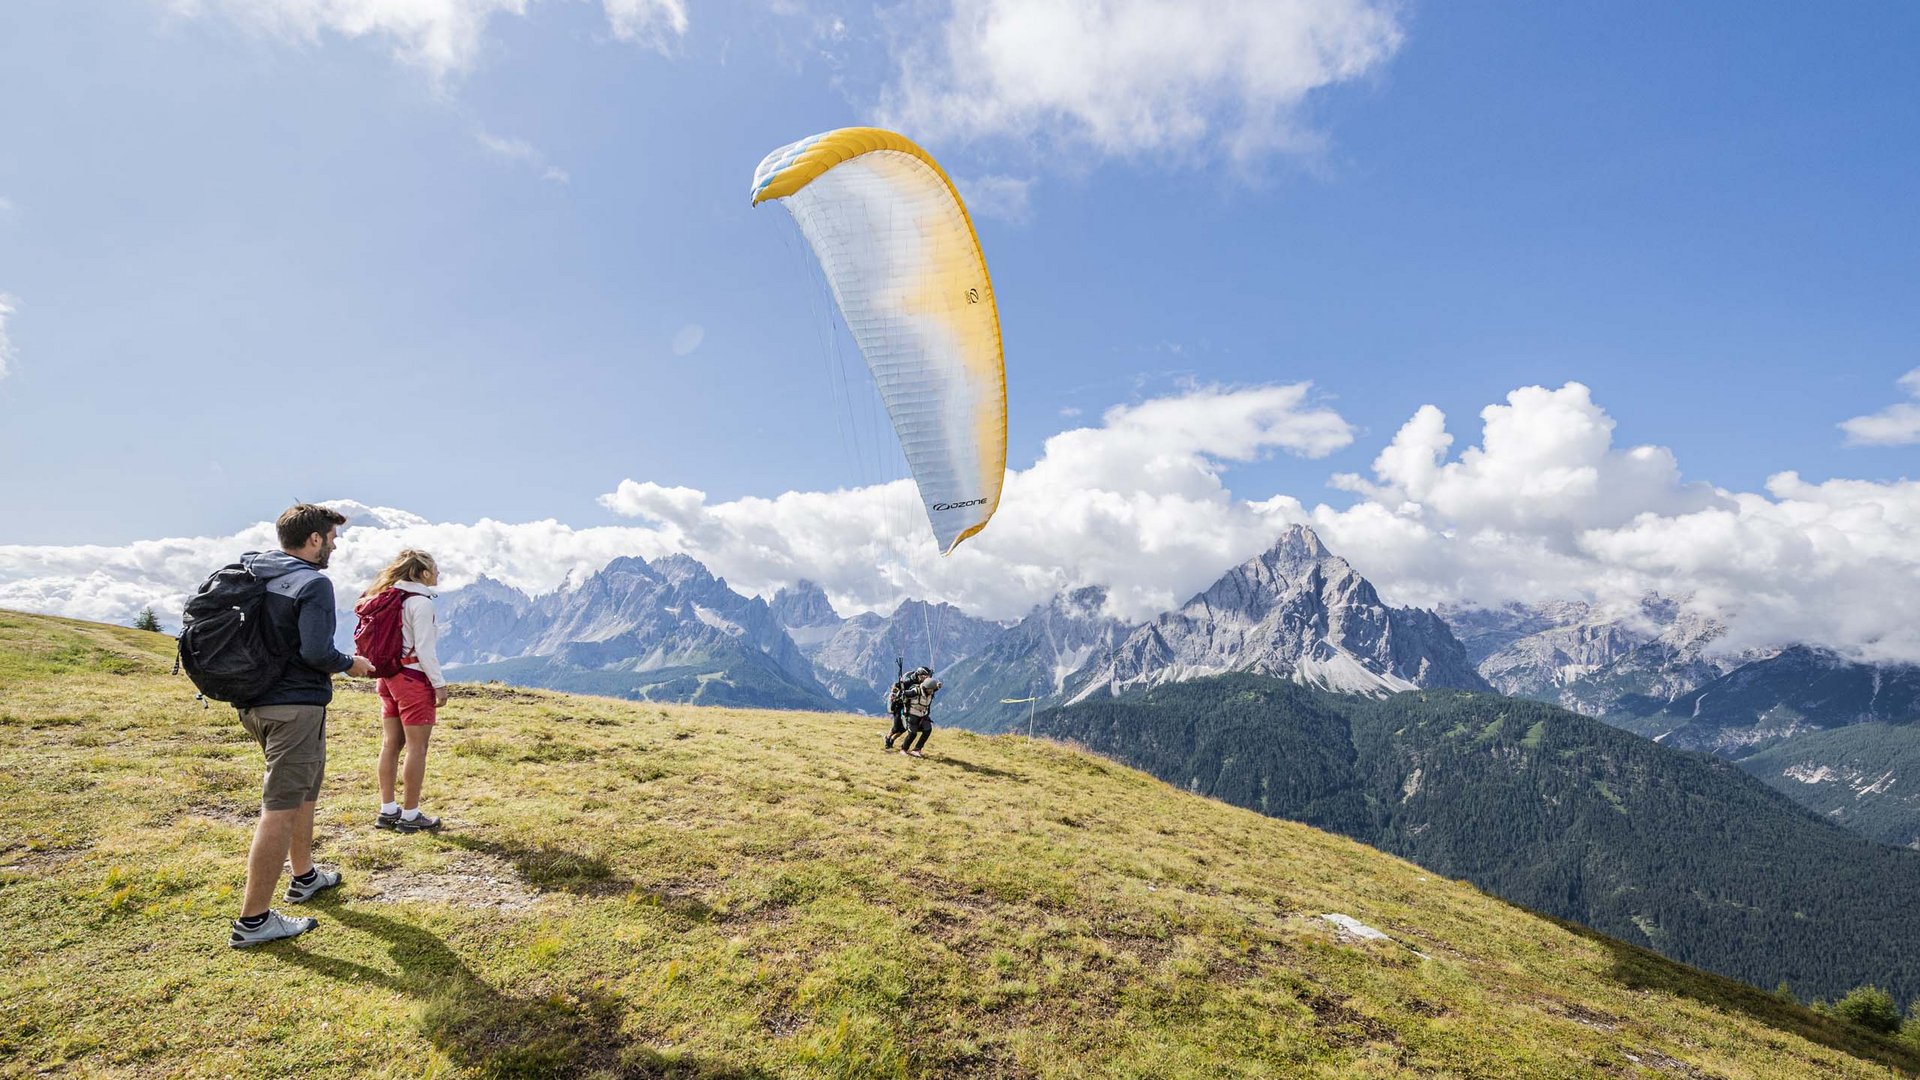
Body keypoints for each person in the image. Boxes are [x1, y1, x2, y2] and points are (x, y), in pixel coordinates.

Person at [229, 504, 374, 948]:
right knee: (281, 805)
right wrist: (350, 664)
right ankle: (253, 921)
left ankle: (305, 875)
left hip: (255, 702)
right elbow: (316, 652)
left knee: (304, 791)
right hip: (293, 706)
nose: (335, 544)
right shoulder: (313, 582)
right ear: (314, 539)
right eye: (332, 537)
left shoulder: (257, 573)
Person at [361, 550, 450, 833]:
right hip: (412, 678)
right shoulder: (419, 602)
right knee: (417, 747)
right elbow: (424, 648)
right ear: (422, 573)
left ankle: (388, 810)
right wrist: (439, 684)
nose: (438, 573)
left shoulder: (389, 597)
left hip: (387, 677)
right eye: (434, 568)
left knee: (391, 744)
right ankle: (410, 816)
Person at [899, 671, 941, 758]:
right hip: (912, 715)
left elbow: (934, 688)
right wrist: (902, 692)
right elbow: (907, 694)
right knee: (912, 734)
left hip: (923, 715)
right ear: (925, 688)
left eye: (932, 690)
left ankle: (917, 749)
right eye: (930, 690)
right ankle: (903, 749)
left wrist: (938, 686)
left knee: (927, 729)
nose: (931, 692)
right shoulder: (916, 691)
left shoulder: (930, 691)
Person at [883, 668, 922, 750]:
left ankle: (893, 739)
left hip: (909, 707)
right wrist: (897, 691)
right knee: (896, 727)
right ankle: (887, 738)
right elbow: (895, 687)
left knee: (905, 727)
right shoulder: (909, 682)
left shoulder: (921, 684)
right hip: (899, 705)